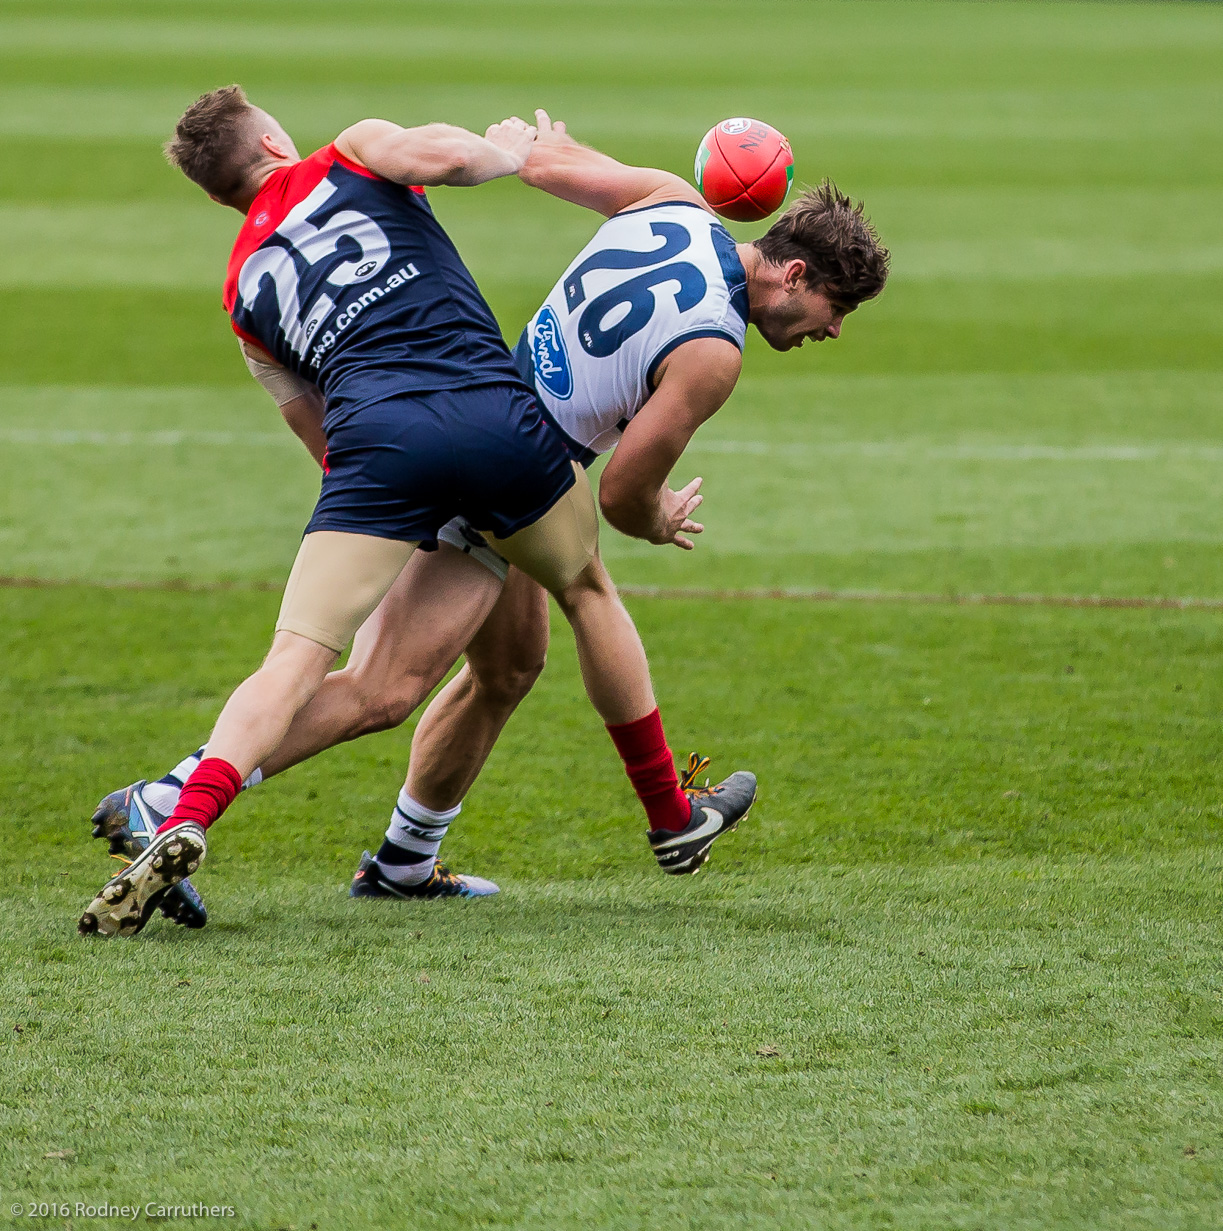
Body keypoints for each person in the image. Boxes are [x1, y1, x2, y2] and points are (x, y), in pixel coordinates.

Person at [78, 90, 756, 938]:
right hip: (494, 420)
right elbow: (450, 160)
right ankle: (670, 813)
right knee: (582, 594)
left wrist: (399, 498)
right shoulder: (352, 148)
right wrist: (513, 151)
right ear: (271, 136)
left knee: (347, 660)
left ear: (221, 197)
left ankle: (216, 815)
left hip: (379, 454)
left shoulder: (243, 294)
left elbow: (315, 431)